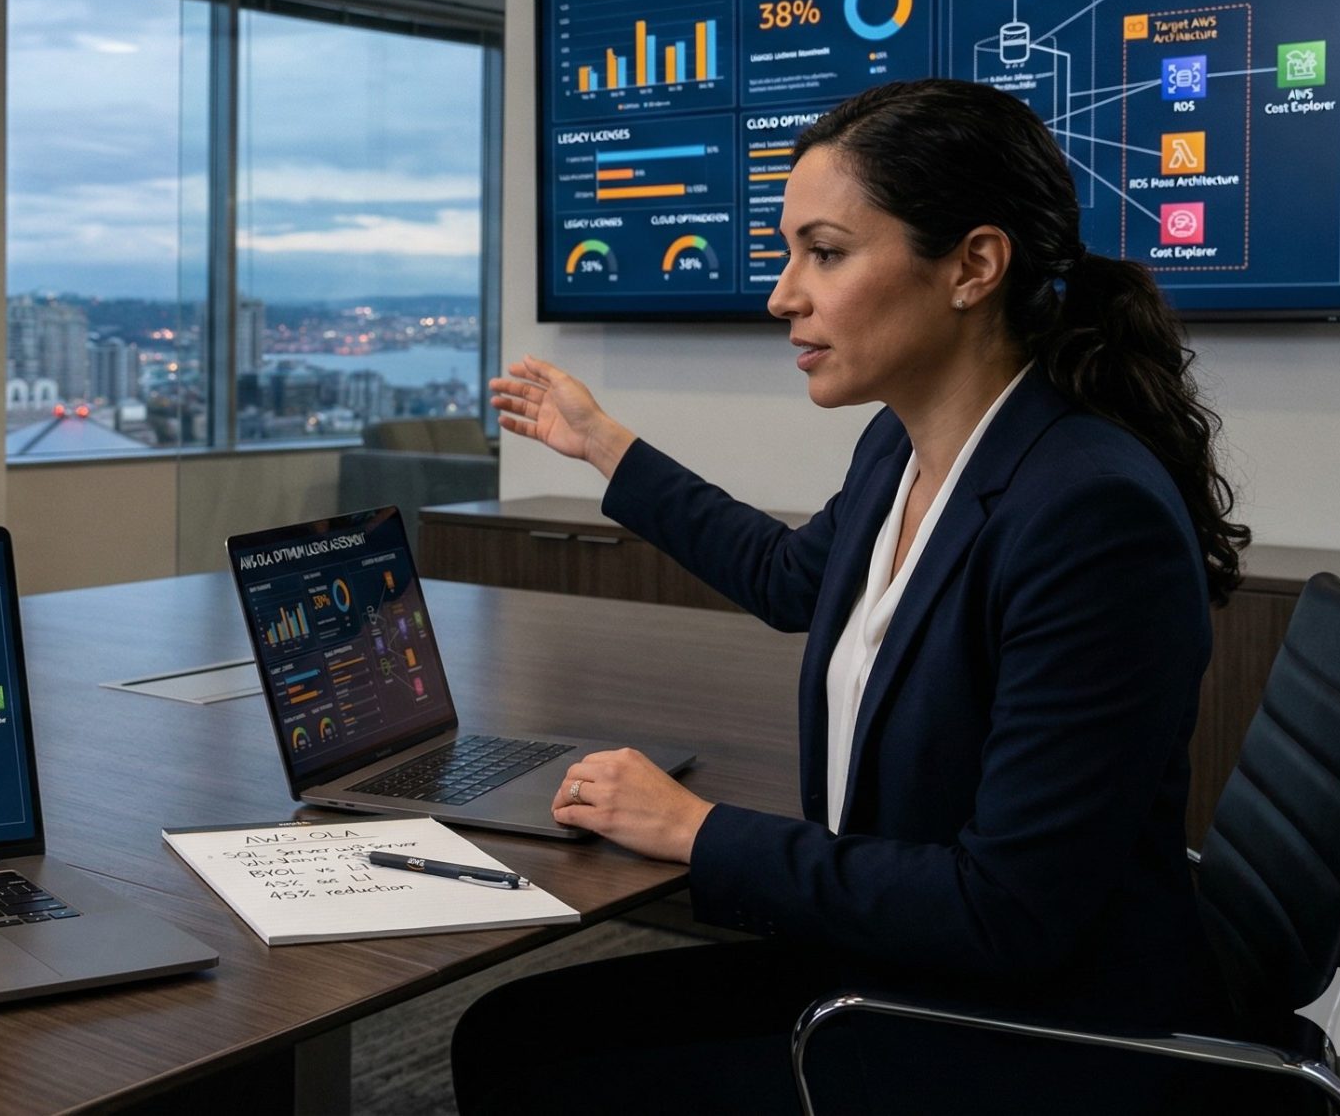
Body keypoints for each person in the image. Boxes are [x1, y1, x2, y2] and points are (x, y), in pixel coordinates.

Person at [455, 78, 1255, 1115]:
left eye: (824, 253)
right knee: (511, 1032)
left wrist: (698, 828)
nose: (782, 296)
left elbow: (1005, 910)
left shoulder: (1088, 512)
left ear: (973, 266)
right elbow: (791, 577)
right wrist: (603, 445)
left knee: (543, 1069)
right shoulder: (902, 445)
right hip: (902, 963)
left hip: (1023, 1029)